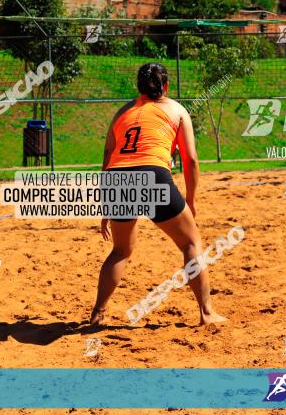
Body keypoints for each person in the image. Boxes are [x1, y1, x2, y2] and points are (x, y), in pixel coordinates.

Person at [90, 63, 226, 327]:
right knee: (190, 244)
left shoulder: (122, 112)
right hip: (153, 174)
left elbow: (108, 157)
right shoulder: (176, 109)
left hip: (119, 179)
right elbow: (191, 160)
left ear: (139, 86)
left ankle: (98, 313)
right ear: (165, 86)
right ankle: (206, 313)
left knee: (120, 251)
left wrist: (107, 204)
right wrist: (191, 200)